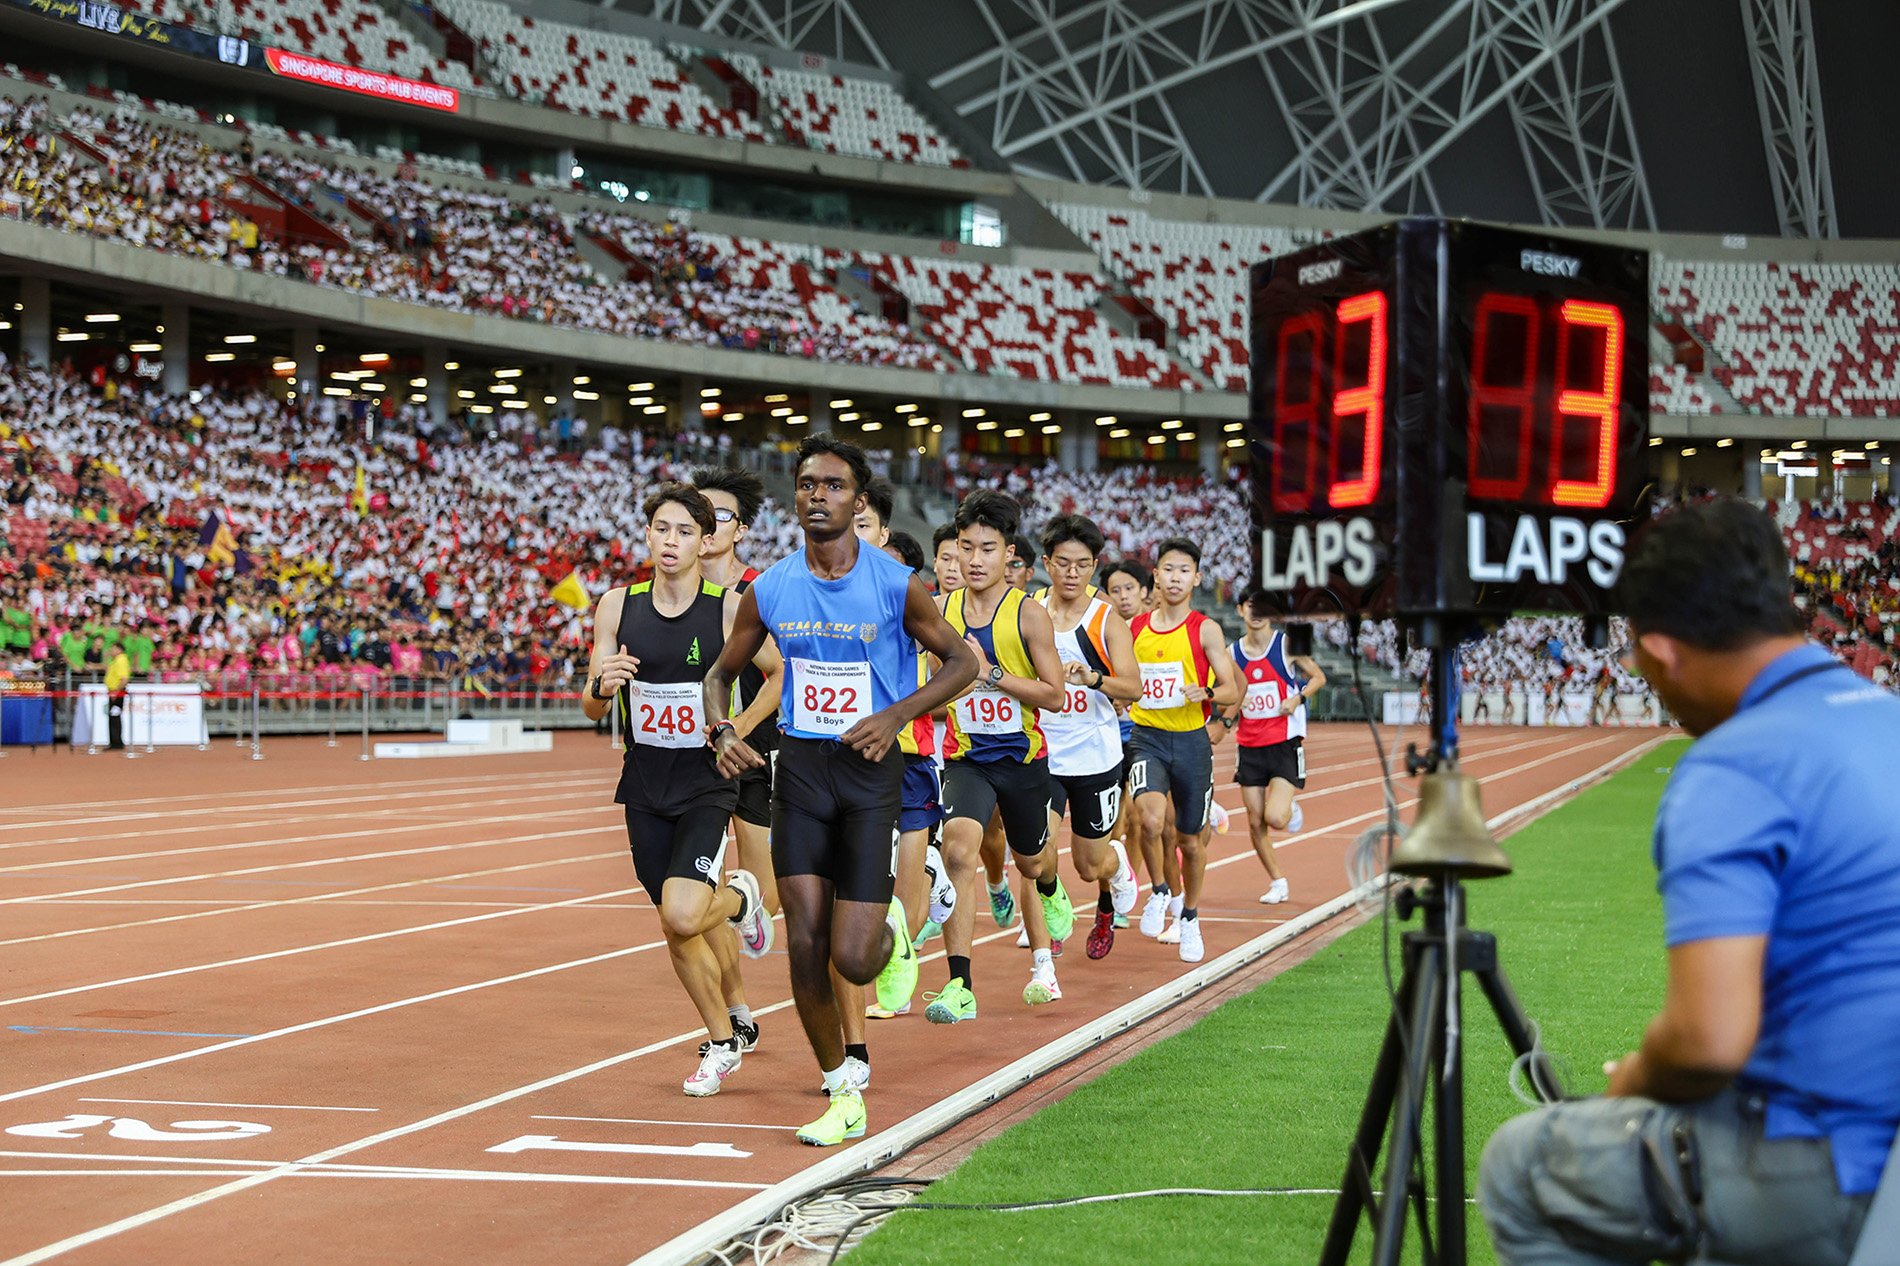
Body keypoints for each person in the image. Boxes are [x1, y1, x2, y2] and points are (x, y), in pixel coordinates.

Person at [1479, 499, 1900, 1266]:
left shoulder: (1732, 766)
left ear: (1662, 653)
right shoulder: (1885, 720)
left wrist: (1635, 1077)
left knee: (1523, 1166)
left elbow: (1708, 1040)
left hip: (1838, 1167)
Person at [703, 436, 977, 1147]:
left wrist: (896, 714)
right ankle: (839, 1089)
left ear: (858, 501)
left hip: (868, 773)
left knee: (853, 958)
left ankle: (891, 931)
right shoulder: (769, 589)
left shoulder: (893, 584)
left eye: (832, 484)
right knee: (804, 941)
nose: (816, 494)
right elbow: (719, 674)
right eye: (806, 484)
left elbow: (962, 662)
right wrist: (720, 730)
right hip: (799, 770)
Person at [582, 483, 780, 1098]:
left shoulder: (728, 607)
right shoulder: (617, 606)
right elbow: (591, 707)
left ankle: (744, 902)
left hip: (706, 781)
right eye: (661, 530)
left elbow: (777, 676)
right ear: (647, 535)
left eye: (685, 533)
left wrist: (733, 729)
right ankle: (722, 1040)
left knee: (683, 910)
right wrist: (602, 684)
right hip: (644, 783)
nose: (671, 542)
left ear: (704, 542)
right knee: (679, 927)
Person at [927, 491, 1068, 1021]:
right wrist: (949, 692)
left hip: (1024, 760)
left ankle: (1052, 888)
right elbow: (928, 692)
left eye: (988, 548)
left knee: (1033, 861)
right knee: (959, 853)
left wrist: (990, 676)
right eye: (966, 548)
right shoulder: (939, 613)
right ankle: (959, 987)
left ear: (1009, 554)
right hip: (967, 757)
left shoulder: (1027, 615)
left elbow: (1054, 695)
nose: (975, 560)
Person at [1127, 537, 1239, 963]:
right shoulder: (1135, 627)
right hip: (1147, 738)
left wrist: (1206, 691)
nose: (1174, 578)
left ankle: (1189, 915)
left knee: (1190, 841)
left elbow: (1230, 687)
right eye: (1167, 569)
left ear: (1196, 578)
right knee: (1150, 819)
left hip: (1191, 742)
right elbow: (1121, 674)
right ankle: (1158, 890)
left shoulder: (1205, 628)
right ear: (1155, 575)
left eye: (1183, 571)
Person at [1037, 515, 1142, 959]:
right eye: (1063, 563)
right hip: (1042, 752)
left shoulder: (1106, 620)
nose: (1072, 573)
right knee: (1036, 853)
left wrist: (1094, 679)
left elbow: (1133, 687)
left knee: (1087, 864)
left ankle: (1115, 875)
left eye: (1082, 565)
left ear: (1093, 565)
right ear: (1047, 563)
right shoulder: (1030, 612)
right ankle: (1050, 923)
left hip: (1095, 757)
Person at [1215, 587, 1324, 905]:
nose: (1257, 612)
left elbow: (1318, 677)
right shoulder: (1231, 653)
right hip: (1249, 745)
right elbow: (1226, 691)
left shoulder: (1286, 644)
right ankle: (1278, 881)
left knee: (1275, 817)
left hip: (1284, 743)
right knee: (1253, 819)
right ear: (1240, 611)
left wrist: (1297, 697)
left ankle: (1290, 811)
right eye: (1251, 606)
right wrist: (1235, 700)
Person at [104, 639, 132, 751]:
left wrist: (116, 691)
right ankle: (114, 741)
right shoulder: (115, 660)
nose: (111, 650)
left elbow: (124, 678)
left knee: (115, 716)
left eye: (113, 648)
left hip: (117, 692)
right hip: (113, 691)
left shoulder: (121, 660)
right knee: (113, 716)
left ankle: (117, 742)